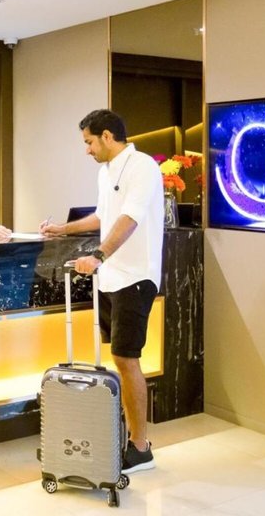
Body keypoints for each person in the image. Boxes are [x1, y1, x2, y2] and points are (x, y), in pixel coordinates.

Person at [40, 109, 163, 474]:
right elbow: (102, 216)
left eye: (89, 142)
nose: (87, 150)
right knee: (120, 360)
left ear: (107, 136)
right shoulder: (106, 171)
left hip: (135, 277)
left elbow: (130, 218)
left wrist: (97, 255)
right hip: (111, 277)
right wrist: (63, 229)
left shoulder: (142, 167)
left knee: (127, 358)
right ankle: (127, 436)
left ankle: (140, 447)